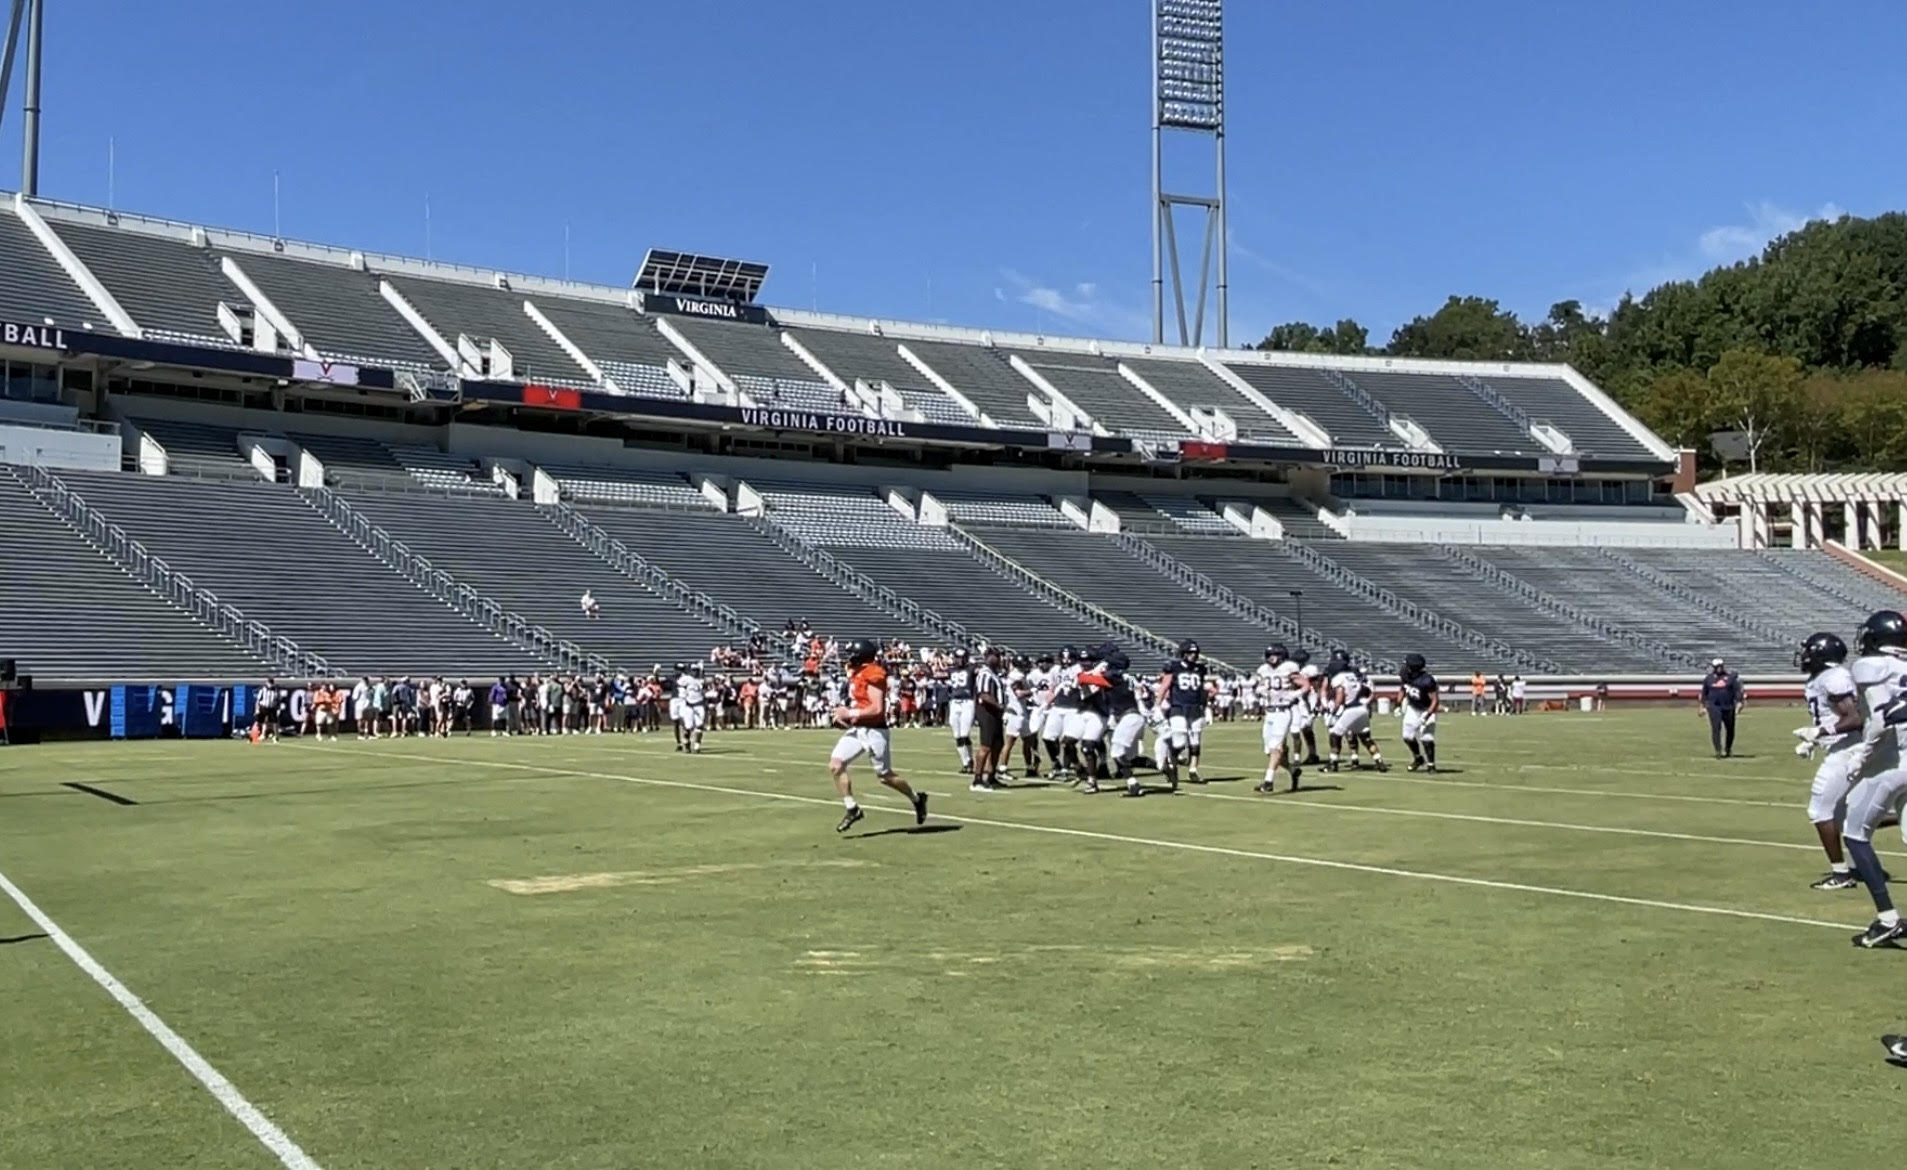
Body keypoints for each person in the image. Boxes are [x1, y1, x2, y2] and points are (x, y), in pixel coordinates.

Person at [1837, 611, 1907, 947]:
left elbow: (1880, 721)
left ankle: (1887, 919)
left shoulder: (1870, 666)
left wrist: (1861, 757)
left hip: (1893, 761)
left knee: (1855, 834)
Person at [829, 639, 930, 833]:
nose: (848, 657)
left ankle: (917, 799)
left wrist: (849, 714)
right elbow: (860, 703)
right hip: (859, 729)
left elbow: (876, 708)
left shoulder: (873, 673)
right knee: (836, 765)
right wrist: (845, 718)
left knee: (884, 776)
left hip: (875, 731)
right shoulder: (857, 672)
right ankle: (852, 808)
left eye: (852, 653)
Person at [1792, 632, 1864, 890]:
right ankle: (1859, 868)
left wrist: (1820, 733)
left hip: (1848, 749)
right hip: (1842, 747)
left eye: (1809, 652)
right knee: (1846, 815)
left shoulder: (1834, 677)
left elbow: (1854, 719)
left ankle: (1841, 874)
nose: (1805, 657)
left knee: (1820, 811)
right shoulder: (1821, 678)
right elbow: (1831, 717)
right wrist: (1813, 740)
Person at [1252, 643, 1307, 794]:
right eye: (1269, 655)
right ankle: (1292, 770)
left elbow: (1305, 684)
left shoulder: (1288, 667)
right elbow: (1260, 685)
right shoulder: (1263, 670)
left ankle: (1268, 782)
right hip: (1270, 712)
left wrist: (1293, 695)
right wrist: (1260, 690)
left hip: (1283, 712)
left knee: (1276, 747)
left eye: (1275, 655)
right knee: (1269, 751)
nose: (1272, 658)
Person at [1155, 639, 1210, 789]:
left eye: (1195, 653)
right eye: (1190, 652)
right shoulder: (1174, 667)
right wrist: (1157, 705)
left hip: (1195, 707)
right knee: (1179, 740)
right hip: (1178, 707)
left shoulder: (1200, 669)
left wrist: (1206, 707)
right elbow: (1165, 686)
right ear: (1183, 653)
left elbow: (1202, 690)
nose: (1193, 655)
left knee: (1195, 742)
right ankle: (1171, 763)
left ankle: (1193, 770)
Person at [1325, 652, 1386, 772]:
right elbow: (1365, 688)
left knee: (1335, 734)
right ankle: (1379, 761)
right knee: (1365, 738)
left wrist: (1334, 712)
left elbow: (1340, 696)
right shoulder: (1353, 675)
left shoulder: (1338, 678)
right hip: (1361, 708)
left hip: (1351, 709)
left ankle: (1333, 763)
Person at [971, 648, 1007, 792]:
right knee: (985, 746)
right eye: (994, 656)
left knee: (997, 745)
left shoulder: (994, 673)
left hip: (995, 713)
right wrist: (999, 705)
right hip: (987, 712)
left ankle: (991, 776)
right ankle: (977, 779)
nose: (997, 659)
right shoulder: (985, 673)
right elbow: (984, 694)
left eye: (997, 656)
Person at [1399, 652, 1440, 773]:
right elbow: (1403, 688)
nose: (1405, 667)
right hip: (1412, 708)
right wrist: (1397, 703)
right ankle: (1418, 758)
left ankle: (1431, 765)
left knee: (1427, 738)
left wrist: (1427, 715)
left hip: (1427, 709)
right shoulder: (1405, 674)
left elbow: (1435, 700)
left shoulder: (1427, 680)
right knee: (1407, 737)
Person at [1701, 657, 1744, 758]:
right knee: (1716, 728)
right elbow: (1704, 693)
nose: (1719, 668)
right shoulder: (1709, 679)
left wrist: (1739, 702)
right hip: (1714, 706)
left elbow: (1737, 691)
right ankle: (1718, 750)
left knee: (1730, 729)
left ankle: (1728, 749)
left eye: (1720, 666)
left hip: (1728, 706)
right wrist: (1702, 706)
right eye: (1717, 667)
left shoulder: (1730, 678)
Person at [946, 648, 978, 775]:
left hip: (967, 701)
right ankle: (965, 762)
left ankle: (970, 761)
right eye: (958, 657)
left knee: (965, 734)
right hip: (954, 702)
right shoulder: (951, 670)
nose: (960, 660)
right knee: (957, 735)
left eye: (962, 657)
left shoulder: (972, 669)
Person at [677, 663, 708, 753]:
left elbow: (704, 691)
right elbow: (679, 686)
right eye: (693, 670)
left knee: (700, 725)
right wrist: (683, 693)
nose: (695, 672)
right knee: (688, 726)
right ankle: (686, 743)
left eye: (696, 670)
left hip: (699, 705)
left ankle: (697, 745)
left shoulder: (701, 680)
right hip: (689, 706)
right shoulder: (686, 679)